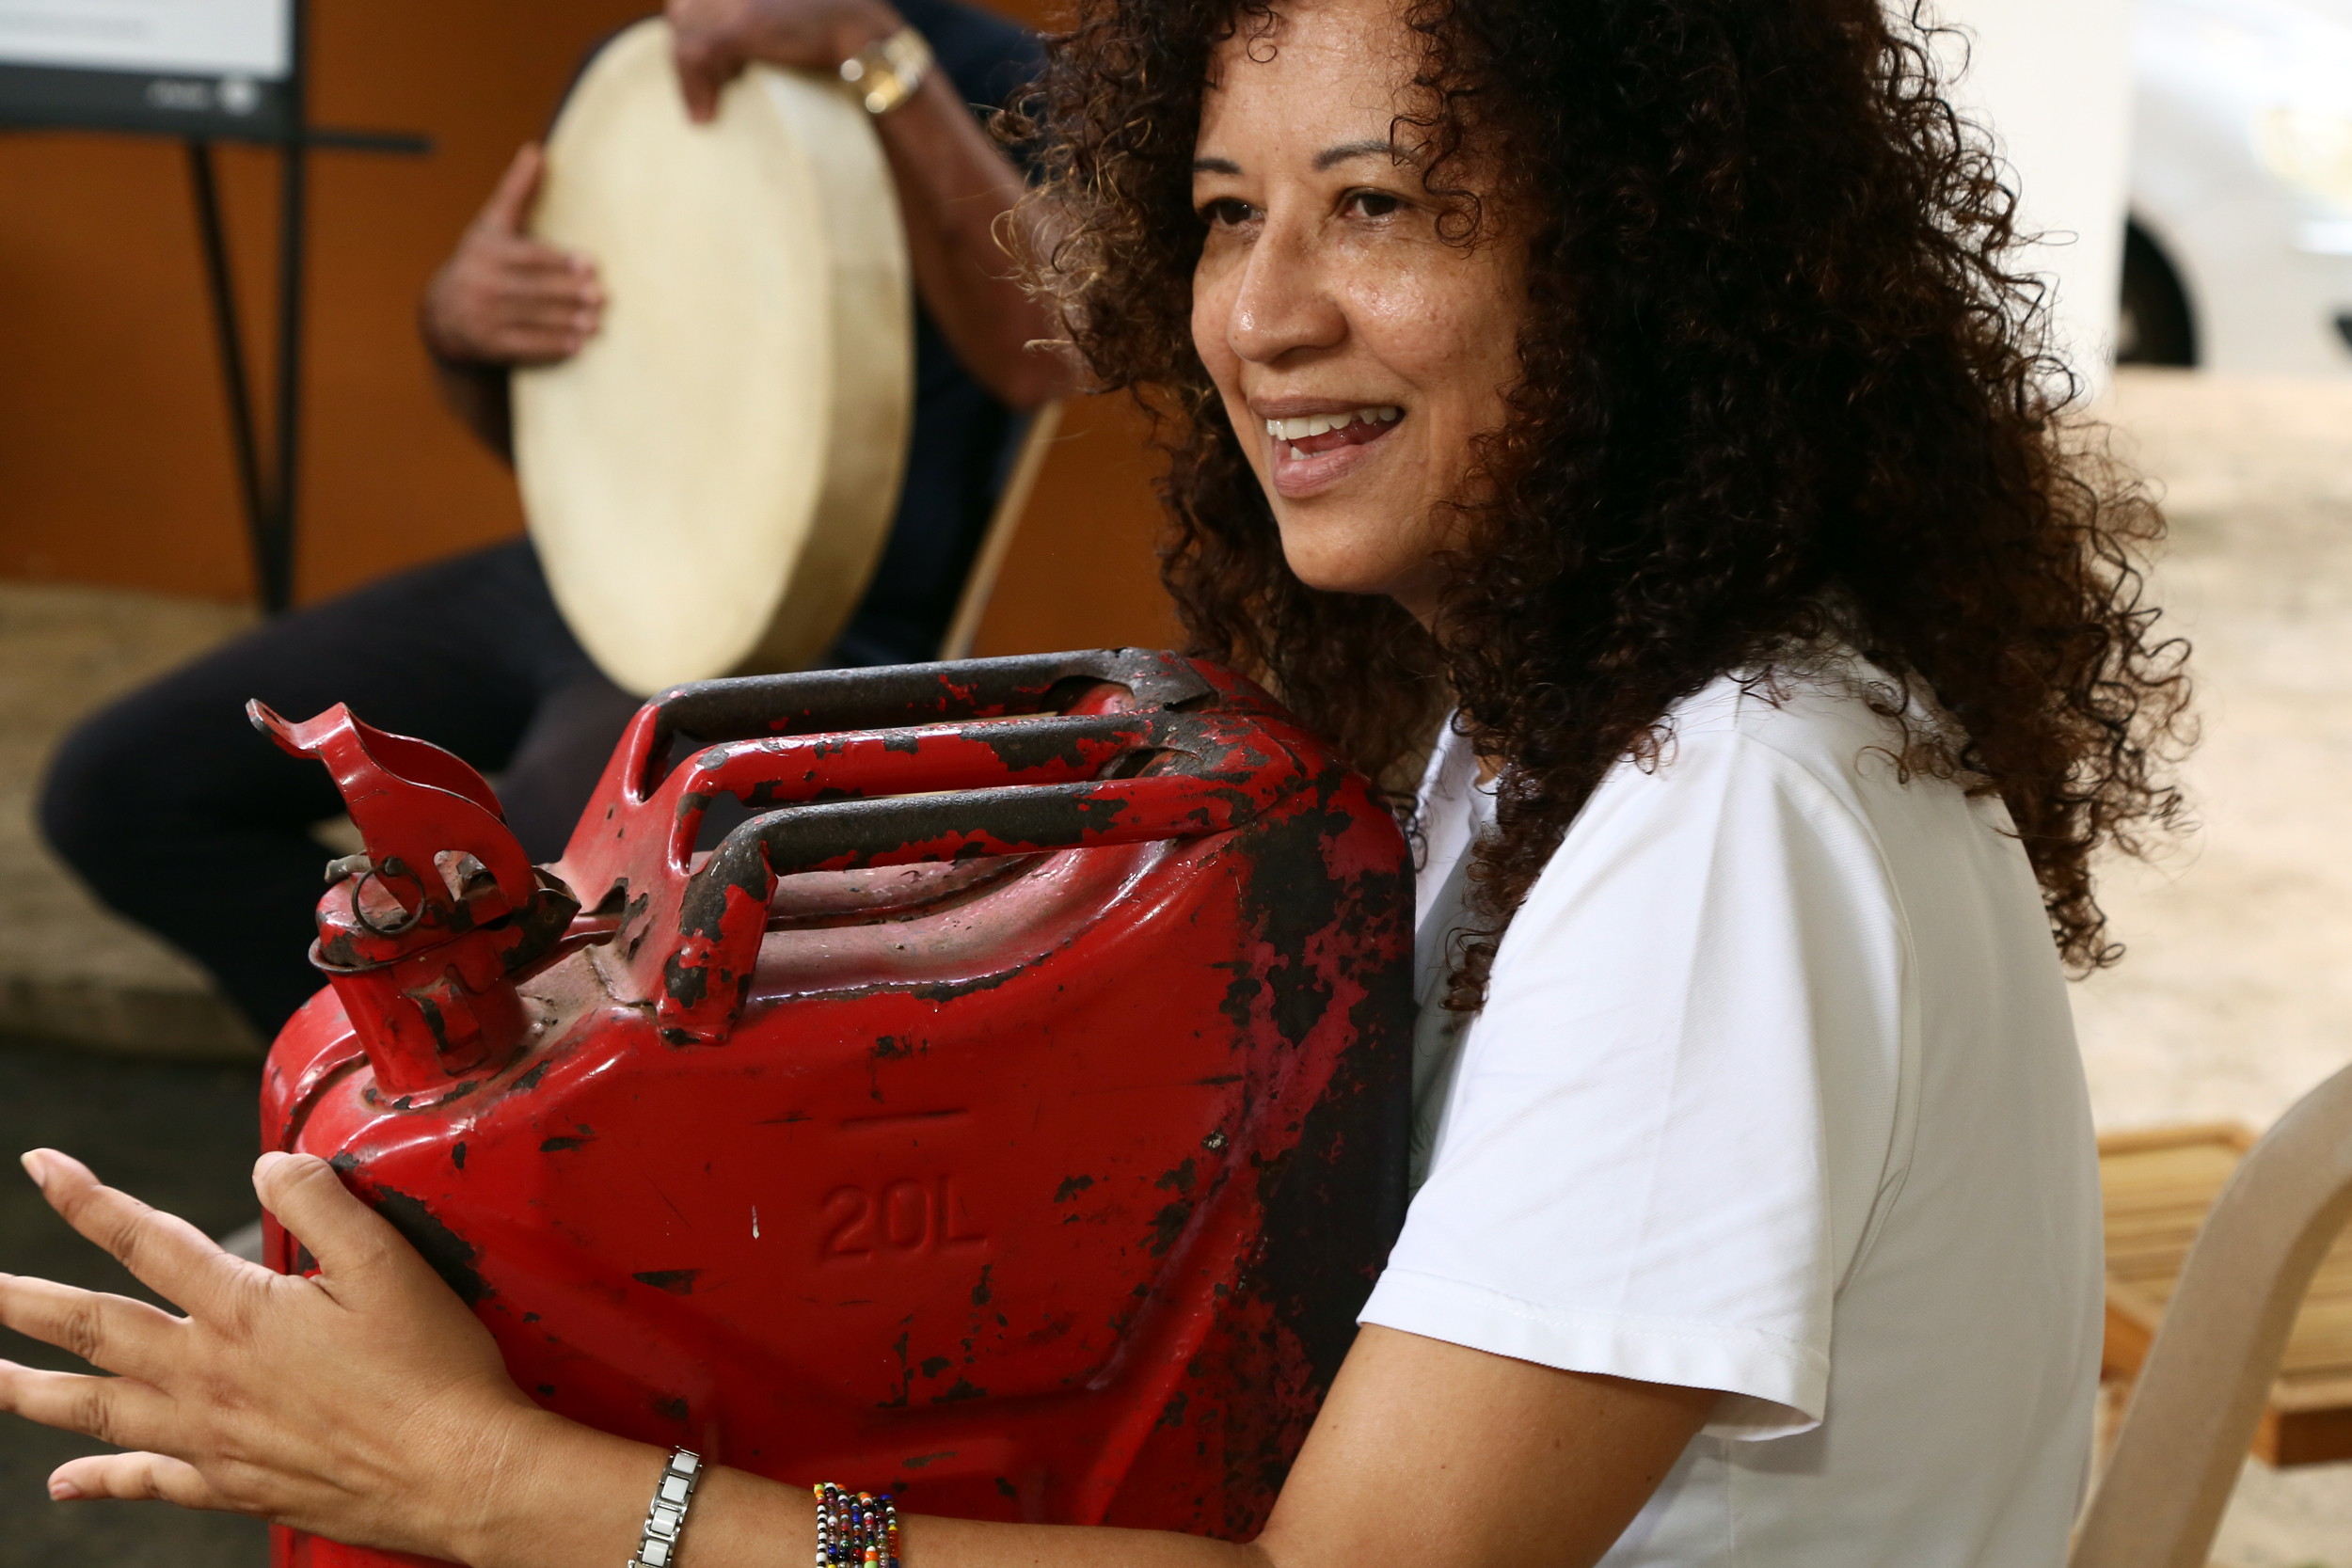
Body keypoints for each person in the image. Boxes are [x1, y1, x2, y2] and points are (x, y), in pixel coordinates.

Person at [0, 1, 2190, 1565]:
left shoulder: (1730, 817)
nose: (1260, 312)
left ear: (1651, 264)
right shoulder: (1584, 713)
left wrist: (498, 1488)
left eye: (1381, 206)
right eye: (1227, 214)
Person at [37, 0, 1065, 1042]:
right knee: (122, 793)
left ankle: (489, 1120)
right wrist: (459, 322)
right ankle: (395, 1076)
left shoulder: (987, 72)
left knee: (526, 878)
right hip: (582, 573)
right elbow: (554, 431)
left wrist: (869, 52)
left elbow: (1053, 348)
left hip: (815, 628)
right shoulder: (631, 73)